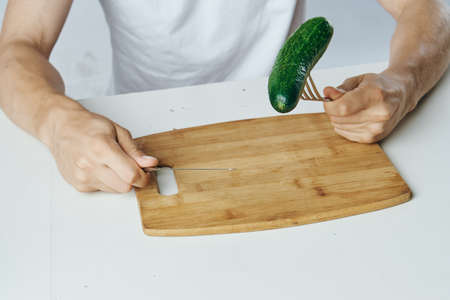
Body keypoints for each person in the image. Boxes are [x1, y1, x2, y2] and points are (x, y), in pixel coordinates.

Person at [0, 0, 448, 193]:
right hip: (143, 133)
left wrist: (401, 83)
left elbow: (429, 11)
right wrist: (57, 122)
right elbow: (18, 47)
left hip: (293, 133)